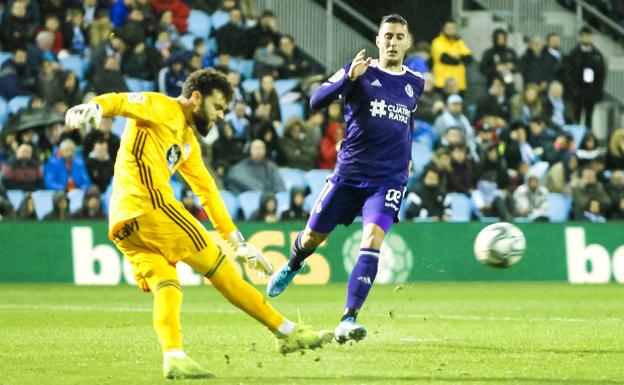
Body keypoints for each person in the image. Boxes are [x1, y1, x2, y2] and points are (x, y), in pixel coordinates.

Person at [64, 68, 332, 379]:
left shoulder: (188, 142)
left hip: (124, 225)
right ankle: (285, 331)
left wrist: (240, 244)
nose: (220, 116)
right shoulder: (160, 106)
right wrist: (95, 106)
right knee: (223, 274)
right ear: (196, 97)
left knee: (168, 287)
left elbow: (207, 191)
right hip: (151, 207)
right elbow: (122, 101)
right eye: (217, 107)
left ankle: (173, 356)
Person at [266, 14, 424, 343]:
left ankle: (348, 319)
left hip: (388, 181)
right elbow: (315, 101)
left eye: (399, 36)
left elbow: (404, 122)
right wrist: (347, 79)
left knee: (372, 241)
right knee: (311, 238)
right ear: (378, 41)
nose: (393, 42)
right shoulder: (359, 70)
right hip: (349, 176)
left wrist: (405, 157)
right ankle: (294, 263)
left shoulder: (415, 83)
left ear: (408, 42)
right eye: (387, 36)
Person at [566, 27, 605, 129]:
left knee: (589, 118)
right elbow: (569, 73)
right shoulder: (574, 54)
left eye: (588, 36)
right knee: (576, 116)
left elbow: (601, 75)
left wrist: (598, 92)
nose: (586, 38)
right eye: (584, 36)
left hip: (591, 91)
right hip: (577, 92)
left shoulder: (597, 55)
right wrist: (573, 90)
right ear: (580, 37)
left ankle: (588, 140)